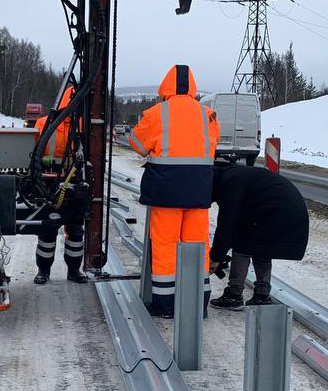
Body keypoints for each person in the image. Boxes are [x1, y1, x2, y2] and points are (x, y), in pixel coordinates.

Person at [126, 64, 220, 318]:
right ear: (192, 88)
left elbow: (137, 145)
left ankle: (165, 305)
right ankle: (198, 304)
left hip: (165, 192)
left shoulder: (157, 113)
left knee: (166, 246)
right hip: (198, 192)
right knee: (197, 246)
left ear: (165, 87)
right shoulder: (208, 115)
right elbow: (212, 145)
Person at [208, 160, 310, 310]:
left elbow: (227, 225)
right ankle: (262, 295)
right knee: (261, 248)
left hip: (276, 211)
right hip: (287, 211)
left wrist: (216, 257)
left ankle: (234, 295)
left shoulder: (230, 185)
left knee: (242, 246)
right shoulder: (232, 176)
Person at [33, 86, 89, 285]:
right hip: (49, 184)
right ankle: (43, 270)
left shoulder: (82, 124)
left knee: (75, 231)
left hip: (74, 183)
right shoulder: (44, 123)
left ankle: (74, 271)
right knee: (47, 229)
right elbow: (34, 154)